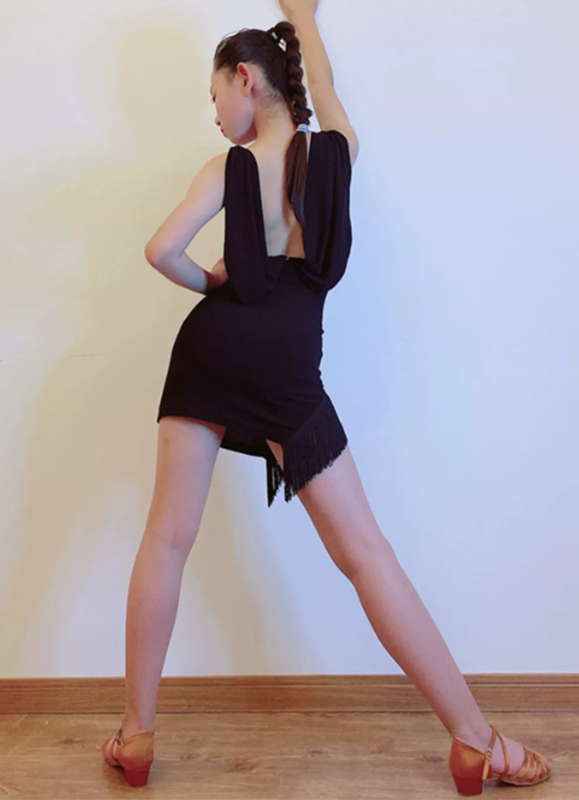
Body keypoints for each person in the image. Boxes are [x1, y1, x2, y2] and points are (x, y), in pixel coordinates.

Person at [102, 1, 552, 793]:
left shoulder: (226, 169)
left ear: (246, 79)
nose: (215, 114)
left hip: (211, 351)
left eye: (215, 95)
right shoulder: (337, 152)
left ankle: (135, 735)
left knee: (166, 540)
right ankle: (476, 740)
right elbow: (328, 89)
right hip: (285, 364)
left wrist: (213, 282)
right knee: (366, 556)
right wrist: (305, 19)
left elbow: (160, 250)